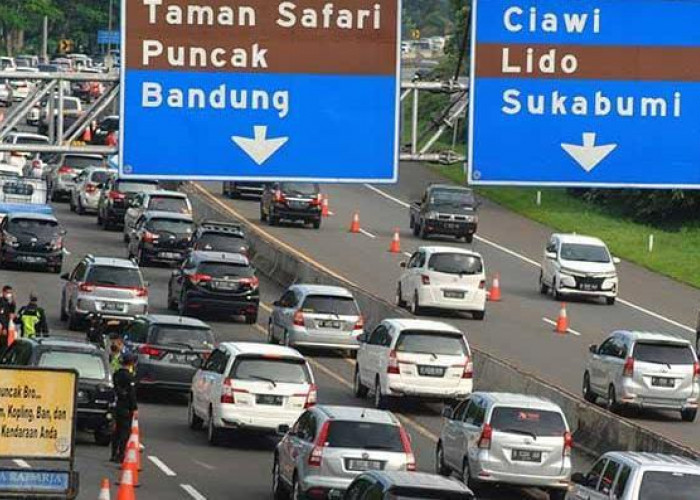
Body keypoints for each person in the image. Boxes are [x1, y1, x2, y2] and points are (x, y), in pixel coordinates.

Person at [111, 352, 138, 463]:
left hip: (117, 405)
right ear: (131, 363)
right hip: (126, 407)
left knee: (116, 431)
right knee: (124, 432)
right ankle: (121, 454)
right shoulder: (129, 377)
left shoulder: (116, 374)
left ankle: (113, 453)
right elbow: (131, 394)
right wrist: (134, 408)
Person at [0, 285, 16, 355]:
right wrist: (4, 327)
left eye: (10, 293)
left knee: (5, 344)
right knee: (3, 345)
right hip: (2, 327)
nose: (9, 295)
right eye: (7, 293)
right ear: (3, 292)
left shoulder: (7, 302)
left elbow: (12, 311)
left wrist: (13, 302)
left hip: (6, 327)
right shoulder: (1, 302)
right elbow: (1, 316)